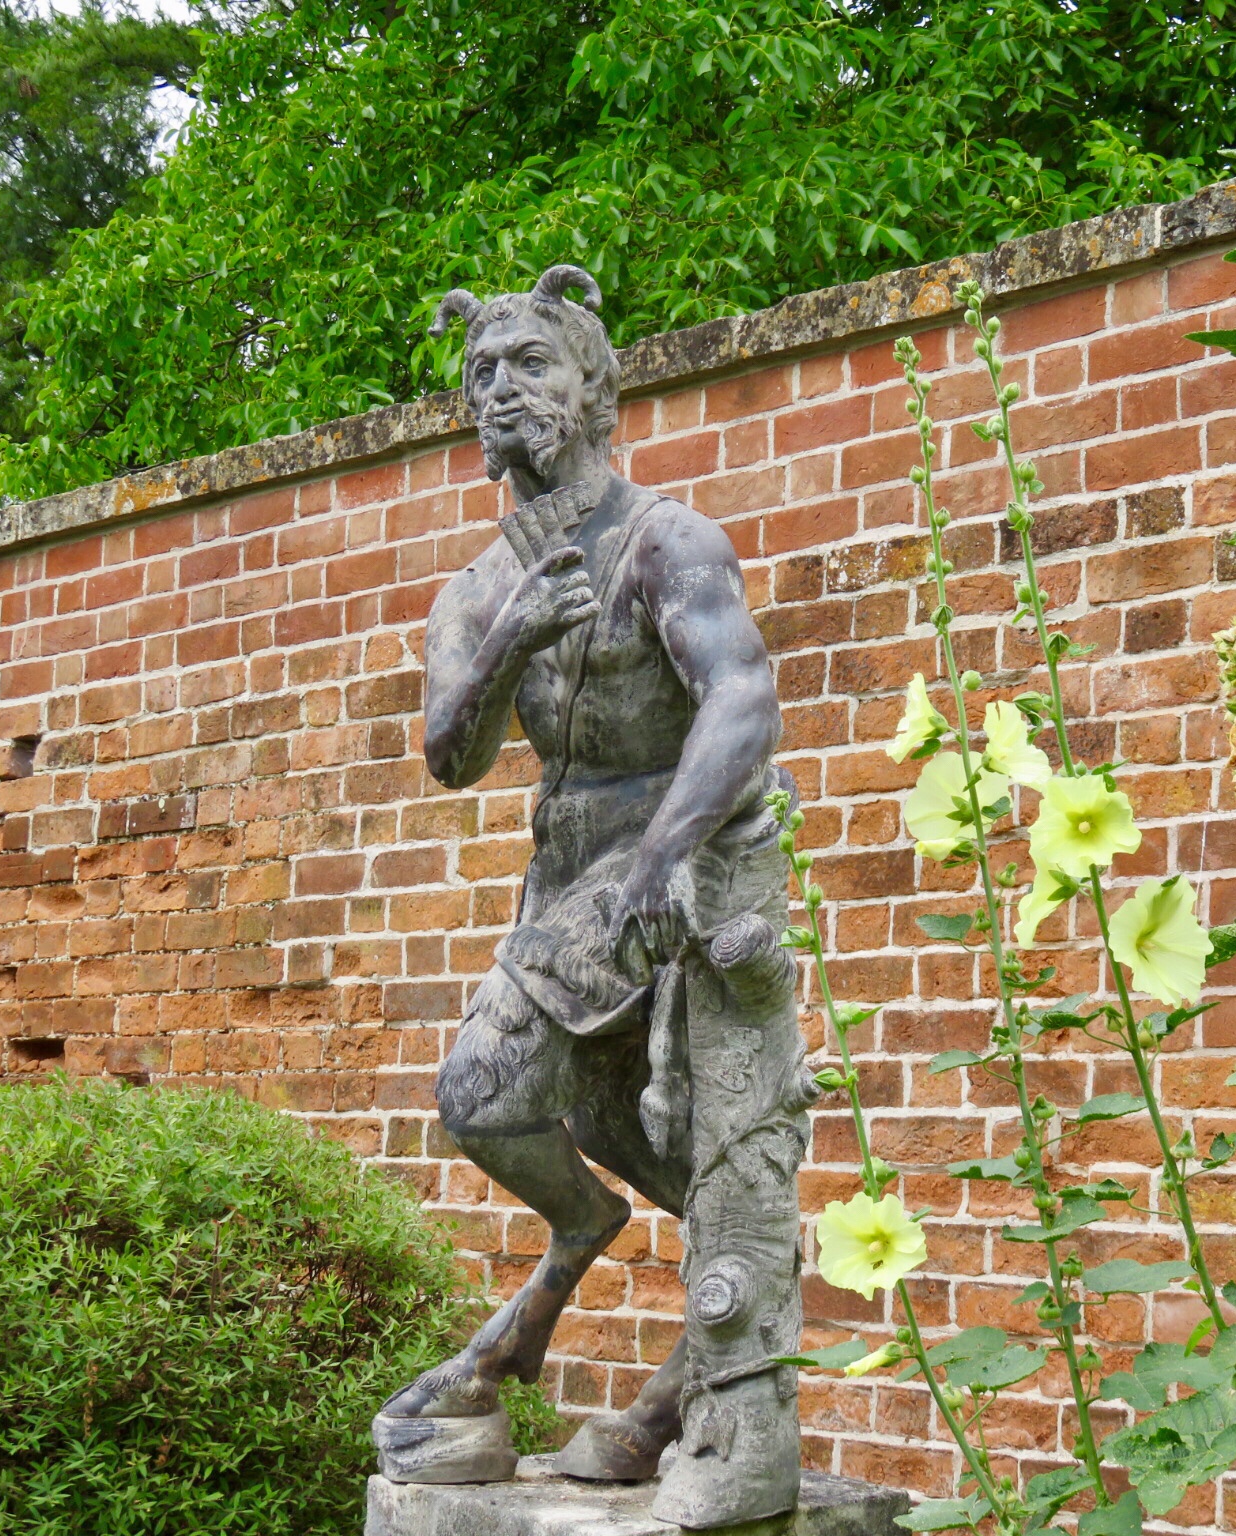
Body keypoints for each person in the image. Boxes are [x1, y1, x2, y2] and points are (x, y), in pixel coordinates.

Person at [373, 265, 809, 1528]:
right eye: (482, 373)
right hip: (560, 874)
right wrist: (509, 636)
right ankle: (596, 1257)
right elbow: (448, 756)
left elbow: (741, 700)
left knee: (486, 1086)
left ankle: (711, 1389)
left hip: (673, 847)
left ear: (593, 390)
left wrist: (667, 855)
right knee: (574, 1120)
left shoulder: (666, 539)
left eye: (531, 365)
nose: (501, 390)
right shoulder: (475, 589)